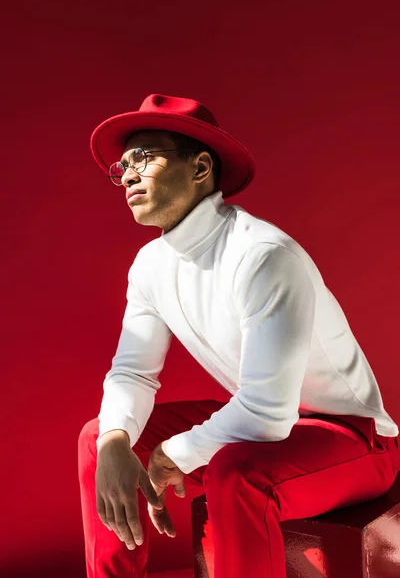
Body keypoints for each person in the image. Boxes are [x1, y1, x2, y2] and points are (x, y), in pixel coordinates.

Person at [78, 93, 399, 578]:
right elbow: (132, 372)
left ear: (201, 167)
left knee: (236, 474)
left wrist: (176, 452)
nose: (126, 176)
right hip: (269, 426)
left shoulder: (263, 254)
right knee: (99, 439)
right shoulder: (150, 265)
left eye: (143, 159)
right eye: (121, 167)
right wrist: (116, 441)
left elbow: (268, 412)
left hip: (352, 437)